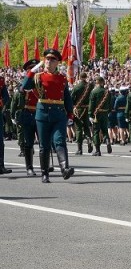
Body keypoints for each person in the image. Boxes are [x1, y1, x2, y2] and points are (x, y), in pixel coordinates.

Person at [21, 49, 75, 183]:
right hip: (43, 113)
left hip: (58, 113)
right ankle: (44, 173)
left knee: (60, 141)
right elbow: (24, 87)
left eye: (52, 60)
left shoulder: (62, 78)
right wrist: (32, 70)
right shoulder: (38, 76)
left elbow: (67, 97)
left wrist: (70, 114)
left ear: (57, 63)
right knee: (44, 145)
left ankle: (64, 168)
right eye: (47, 59)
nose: (49, 61)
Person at [11, 59, 41, 175]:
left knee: (43, 142)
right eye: (32, 69)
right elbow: (20, 89)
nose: (35, 71)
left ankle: (45, 166)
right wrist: (23, 89)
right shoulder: (24, 82)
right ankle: (29, 168)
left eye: (36, 68)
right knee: (28, 142)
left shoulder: (41, 80)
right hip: (28, 114)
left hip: (41, 114)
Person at [88, 76, 113, 156]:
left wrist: (90, 114)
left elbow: (91, 104)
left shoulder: (94, 92)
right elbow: (110, 103)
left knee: (96, 131)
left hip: (96, 114)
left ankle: (97, 150)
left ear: (97, 82)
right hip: (105, 113)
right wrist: (107, 111)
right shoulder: (107, 92)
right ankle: (107, 140)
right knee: (105, 129)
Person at [71, 71, 94, 155]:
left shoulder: (77, 87)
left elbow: (72, 98)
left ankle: (79, 149)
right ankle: (88, 139)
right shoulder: (91, 86)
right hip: (87, 108)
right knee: (87, 127)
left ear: (79, 78)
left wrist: (73, 107)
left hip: (79, 109)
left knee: (78, 128)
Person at [0, 74, 11, 174]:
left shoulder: (1, 81)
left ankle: (0, 166)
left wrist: (2, 102)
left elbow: (6, 97)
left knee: (0, 141)